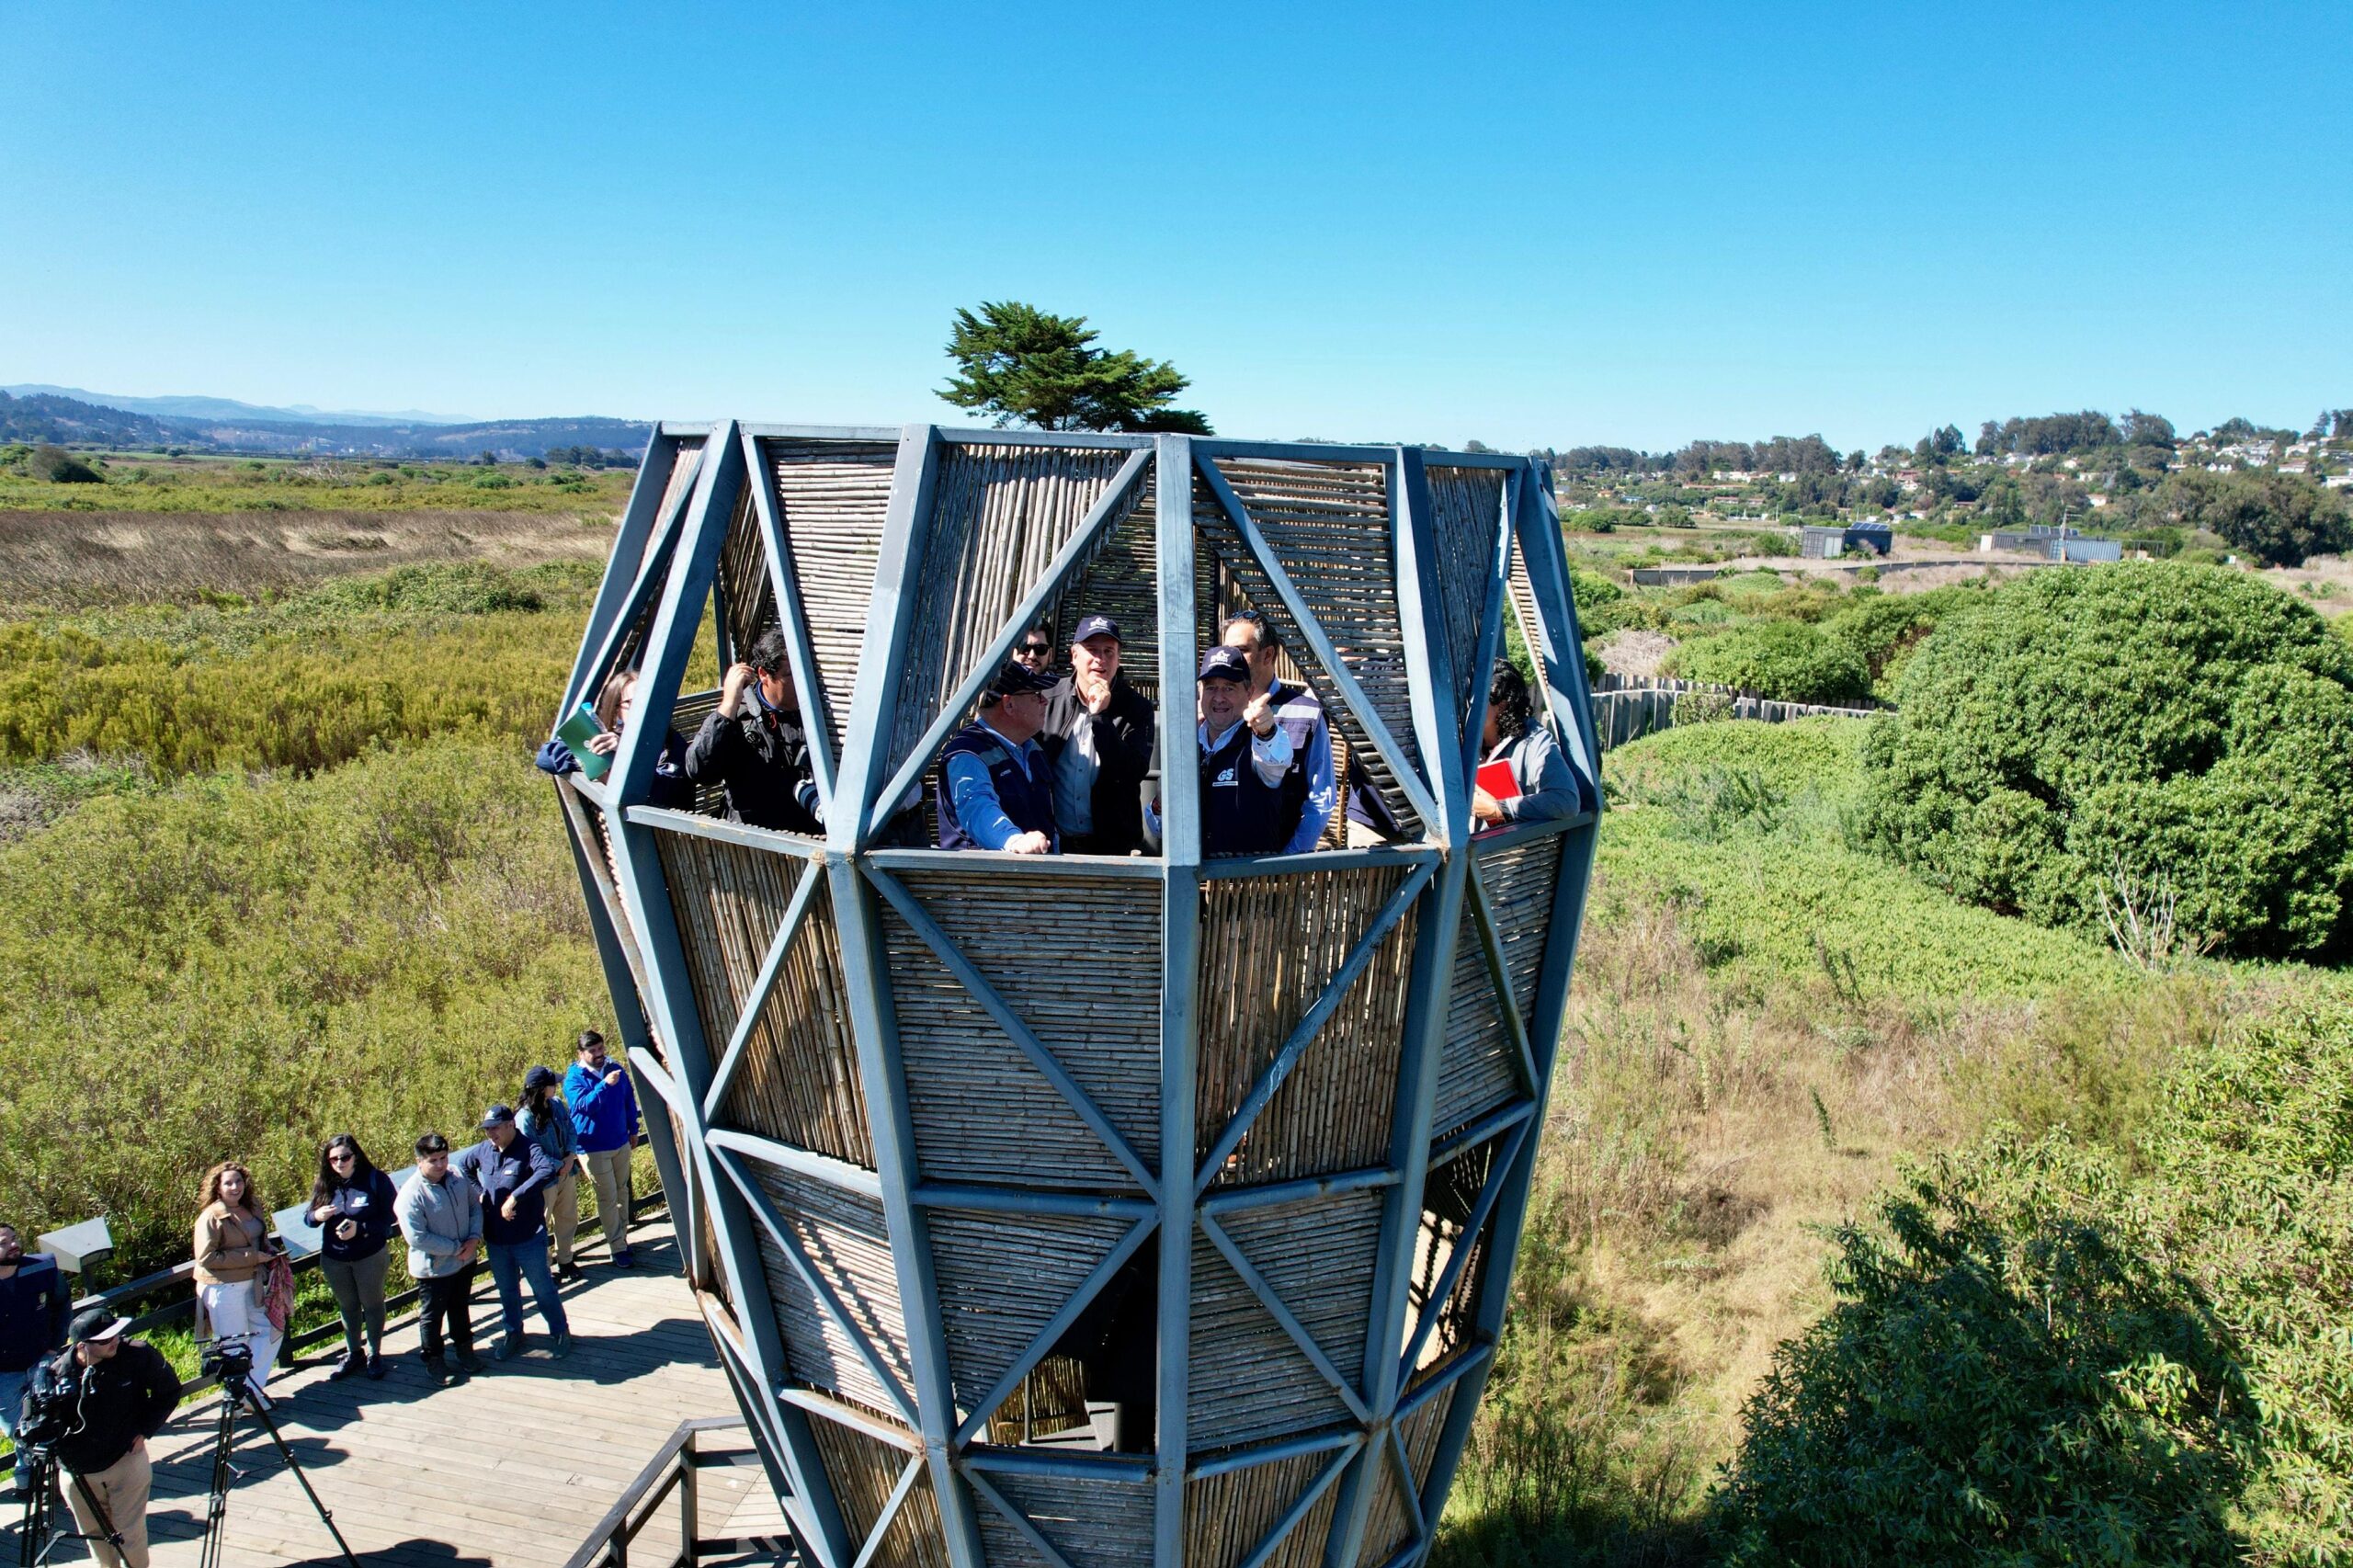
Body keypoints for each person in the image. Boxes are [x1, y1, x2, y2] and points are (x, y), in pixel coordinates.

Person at [26, 1309, 179, 1568]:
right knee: (94, 1536)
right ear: (82, 1345)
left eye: (116, 1334)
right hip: (77, 1470)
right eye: (106, 1339)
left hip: (126, 1460)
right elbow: (37, 1424)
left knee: (130, 1534)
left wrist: (145, 1429)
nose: (115, 1341)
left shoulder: (137, 1355)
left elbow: (169, 1390)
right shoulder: (56, 1376)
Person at [457, 1106, 571, 1361]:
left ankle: (560, 1331)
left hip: (528, 1237)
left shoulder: (529, 1148)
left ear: (511, 1125)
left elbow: (546, 1170)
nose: (490, 1134)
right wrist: (479, 1193)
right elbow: (463, 1166)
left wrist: (515, 1197)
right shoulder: (484, 1150)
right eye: (487, 1129)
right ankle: (514, 1332)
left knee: (542, 1289)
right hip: (497, 1239)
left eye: (495, 1128)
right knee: (507, 1290)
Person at [684, 629, 824, 834]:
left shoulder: (819, 711)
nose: (802, 682)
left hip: (808, 835)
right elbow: (700, 771)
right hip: (753, 838)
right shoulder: (739, 717)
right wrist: (728, 705)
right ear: (764, 675)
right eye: (790, 675)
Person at [1038, 614, 1155, 856]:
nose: (1100, 659)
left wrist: (1100, 718)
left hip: (1113, 849)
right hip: (1054, 846)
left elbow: (1132, 772)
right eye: (1092, 650)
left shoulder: (1137, 708)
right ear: (1074, 656)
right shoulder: (1047, 699)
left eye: (1108, 651)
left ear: (1118, 659)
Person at [1222, 610, 1336, 853]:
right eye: (1227, 651)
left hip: (1278, 861)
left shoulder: (1307, 714)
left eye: (1241, 651)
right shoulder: (1216, 709)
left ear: (1268, 655)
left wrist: (1290, 859)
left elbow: (1320, 800)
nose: (1231, 660)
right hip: (1216, 862)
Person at [1188, 644, 1305, 855]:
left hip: (1247, 875)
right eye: (1211, 687)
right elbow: (1158, 828)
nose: (1219, 698)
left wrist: (1266, 731)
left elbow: (1276, 761)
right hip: (1194, 875)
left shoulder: (1259, 740)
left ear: (1249, 692)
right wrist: (1160, 806)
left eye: (1229, 688)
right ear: (1200, 692)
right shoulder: (1186, 743)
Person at [937, 658, 1061, 853]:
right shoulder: (967, 754)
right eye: (1036, 695)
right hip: (979, 871)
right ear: (1009, 704)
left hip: (1030, 868)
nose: (1045, 701)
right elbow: (977, 808)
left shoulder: (1031, 748)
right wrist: (1014, 841)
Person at [395, 1131, 484, 1386]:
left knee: (460, 1307)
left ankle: (465, 1350)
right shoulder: (411, 1193)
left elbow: (474, 1207)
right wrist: (456, 1248)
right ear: (419, 1161)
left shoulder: (457, 1176)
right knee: (432, 1316)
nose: (440, 1164)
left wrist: (474, 1238)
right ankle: (434, 1360)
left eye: (444, 1157)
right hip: (434, 1269)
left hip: (465, 1260)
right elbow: (417, 1237)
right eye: (433, 1160)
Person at [536, 667, 694, 810]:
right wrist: (591, 757)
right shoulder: (609, 738)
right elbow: (546, 757)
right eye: (634, 702)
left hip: (662, 827)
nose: (645, 707)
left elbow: (670, 794)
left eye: (650, 699)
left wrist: (625, 754)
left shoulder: (670, 742)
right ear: (617, 710)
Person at [308, 1135, 398, 1381]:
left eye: (345, 1157)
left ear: (355, 1156)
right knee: (347, 1306)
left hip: (369, 1256)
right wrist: (318, 1215)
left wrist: (361, 1228)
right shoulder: (326, 1183)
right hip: (334, 1258)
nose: (340, 1162)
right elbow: (308, 1219)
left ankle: (374, 1354)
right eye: (334, 1159)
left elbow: (390, 1217)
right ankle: (354, 1352)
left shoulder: (375, 1180)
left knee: (372, 1304)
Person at [191, 1162, 282, 1396]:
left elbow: (258, 1238)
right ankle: (236, 1399)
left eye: (239, 1181)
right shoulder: (210, 1217)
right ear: (218, 1187)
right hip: (223, 1287)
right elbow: (206, 1257)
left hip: (253, 1282)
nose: (235, 1187)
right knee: (234, 1346)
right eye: (228, 1183)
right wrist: (253, 1257)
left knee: (270, 1331)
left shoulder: (252, 1206)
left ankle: (250, 1391)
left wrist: (268, 1250)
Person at [0, 1221, 69, 1494]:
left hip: (41, 1360)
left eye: (14, 1238)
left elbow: (63, 1304)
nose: (14, 1245)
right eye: (4, 1243)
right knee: (18, 1429)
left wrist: (54, 1347)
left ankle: (36, 1479)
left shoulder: (42, 1267)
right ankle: (32, 1476)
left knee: (51, 1419)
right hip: (3, 1373)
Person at [565, 1030, 642, 1268]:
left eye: (601, 1049)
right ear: (581, 1054)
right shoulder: (573, 1079)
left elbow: (628, 1100)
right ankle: (618, 1247)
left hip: (620, 1141)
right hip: (593, 1147)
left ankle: (622, 1239)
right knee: (607, 1197)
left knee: (622, 1192)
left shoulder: (615, 1069)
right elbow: (583, 1106)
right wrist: (604, 1085)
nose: (599, 1054)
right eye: (593, 1051)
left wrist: (633, 1129)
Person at [1472, 661, 1579, 826]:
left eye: (1475, 701)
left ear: (1501, 706)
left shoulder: (1535, 741)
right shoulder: (1463, 740)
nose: (1467, 706)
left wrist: (1500, 810)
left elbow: (1566, 801)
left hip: (1511, 841)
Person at [519, 1065, 586, 1281]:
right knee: (541, 1223)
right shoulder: (525, 1117)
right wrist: (558, 1165)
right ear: (541, 1089)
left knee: (567, 1217)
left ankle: (565, 1259)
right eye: (552, 1084)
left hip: (566, 1171)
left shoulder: (556, 1104)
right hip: (543, 1180)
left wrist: (569, 1156)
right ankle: (543, 1269)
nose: (556, 1086)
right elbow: (531, 1151)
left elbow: (571, 1129)